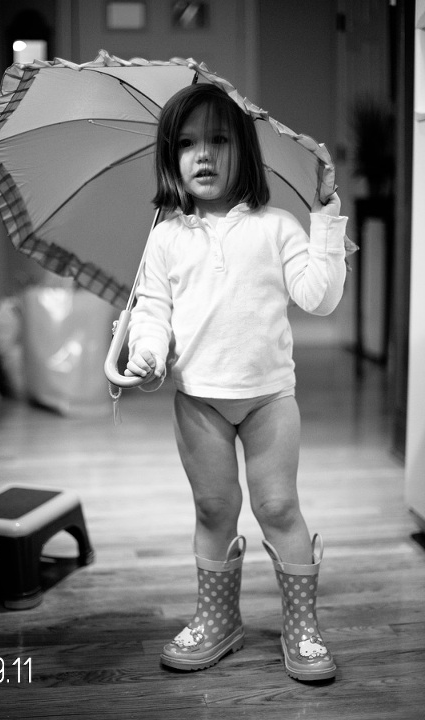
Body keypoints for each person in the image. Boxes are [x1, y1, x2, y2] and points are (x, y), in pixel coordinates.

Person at [125, 83, 348, 682]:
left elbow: (321, 298)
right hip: (199, 400)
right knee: (213, 507)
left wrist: (325, 217)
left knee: (278, 506)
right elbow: (152, 311)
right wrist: (147, 351)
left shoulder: (277, 227)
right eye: (186, 143)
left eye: (219, 140)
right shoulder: (165, 237)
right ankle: (218, 620)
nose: (203, 154)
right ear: (170, 156)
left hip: (269, 397)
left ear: (244, 150)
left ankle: (302, 626)